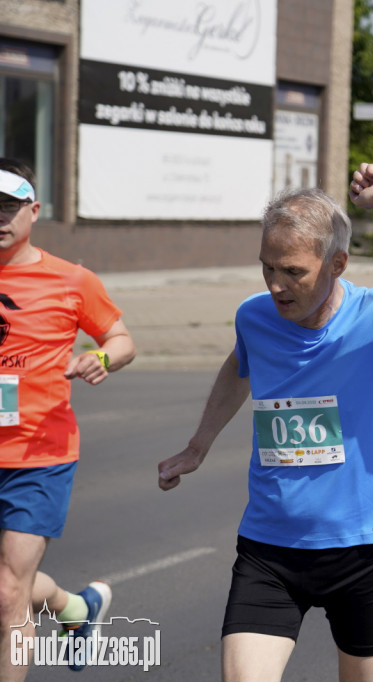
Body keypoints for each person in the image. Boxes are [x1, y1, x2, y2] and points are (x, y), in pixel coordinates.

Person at [157, 164, 373, 681]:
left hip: (362, 551)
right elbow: (240, 364)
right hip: (270, 549)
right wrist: (199, 444)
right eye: (267, 267)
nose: (275, 285)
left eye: (292, 272)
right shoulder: (254, 316)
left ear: (337, 263)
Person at [0, 159, 136, 677]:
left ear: (34, 211)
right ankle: (76, 609)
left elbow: (122, 341)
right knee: (5, 583)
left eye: (9, 207)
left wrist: (100, 359)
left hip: (39, 455)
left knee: (10, 587)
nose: (0, 217)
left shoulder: (72, 279)